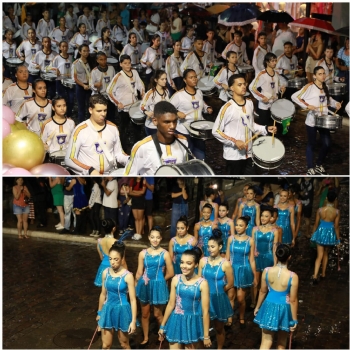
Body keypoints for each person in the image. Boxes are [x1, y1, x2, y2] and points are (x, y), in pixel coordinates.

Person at [213, 74, 277, 175]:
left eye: (244, 84)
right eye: (239, 85)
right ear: (232, 88)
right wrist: (234, 142)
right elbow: (216, 130)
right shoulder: (227, 108)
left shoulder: (249, 103)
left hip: (249, 153)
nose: (243, 86)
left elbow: (250, 125)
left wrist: (265, 128)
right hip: (233, 156)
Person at [291, 66, 341, 175]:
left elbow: (329, 99)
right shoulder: (309, 87)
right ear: (314, 76)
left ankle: (318, 164)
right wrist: (307, 105)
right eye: (320, 74)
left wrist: (335, 103)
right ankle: (310, 167)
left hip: (323, 120)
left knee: (327, 144)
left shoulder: (325, 86)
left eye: (324, 73)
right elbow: (294, 97)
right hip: (312, 120)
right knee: (311, 144)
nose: (323, 76)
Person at [158, 247, 211, 348]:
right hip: (176, 320)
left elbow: (205, 311)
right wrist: (162, 325)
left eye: (188, 263)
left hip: (192, 323)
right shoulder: (176, 279)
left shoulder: (202, 283)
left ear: (196, 265)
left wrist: (206, 336)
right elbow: (171, 304)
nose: (184, 266)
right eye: (182, 262)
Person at [65, 94, 129, 175]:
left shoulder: (113, 128)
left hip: (110, 174)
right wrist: (89, 170)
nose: (103, 114)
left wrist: (130, 159)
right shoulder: (80, 130)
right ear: (90, 110)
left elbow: (119, 154)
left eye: (105, 110)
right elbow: (69, 159)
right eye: (99, 111)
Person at [124, 101, 189, 175]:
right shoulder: (142, 147)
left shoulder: (183, 141)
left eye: (174, 121)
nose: (172, 126)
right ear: (155, 121)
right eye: (167, 122)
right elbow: (129, 174)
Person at [253, 244, 299, 349]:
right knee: (282, 342)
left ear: (276, 255)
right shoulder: (293, 276)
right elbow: (293, 300)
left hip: (268, 306)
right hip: (284, 309)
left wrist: (257, 307)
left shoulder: (266, 271)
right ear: (289, 257)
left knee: (266, 341)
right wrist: (294, 320)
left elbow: (262, 291)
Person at [135, 227, 174, 348]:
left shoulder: (165, 254)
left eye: (157, 237)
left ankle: (162, 333)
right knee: (145, 313)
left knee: (157, 314)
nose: (155, 240)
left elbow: (171, 272)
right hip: (145, 285)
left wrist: (161, 281)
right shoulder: (143, 253)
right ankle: (146, 337)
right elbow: (139, 272)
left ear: (161, 238)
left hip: (158, 286)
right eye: (152, 237)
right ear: (149, 238)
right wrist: (136, 283)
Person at [97, 242, 137, 350]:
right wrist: (99, 313)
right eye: (110, 259)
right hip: (108, 309)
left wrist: (133, 321)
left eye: (116, 259)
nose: (112, 262)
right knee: (105, 346)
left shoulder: (128, 276)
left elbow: (133, 300)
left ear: (122, 258)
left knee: (124, 344)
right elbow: (103, 294)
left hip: (122, 310)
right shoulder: (105, 272)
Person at [198, 229, 234, 349]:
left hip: (218, 299)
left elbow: (230, 283)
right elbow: (198, 280)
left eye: (212, 246)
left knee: (219, 328)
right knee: (202, 327)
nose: (209, 249)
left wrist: (220, 292)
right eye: (208, 246)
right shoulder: (203, 261)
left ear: (220, 247)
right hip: (204, 298)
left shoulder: (225, 264)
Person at [171, 69, 213, 160]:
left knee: (201, 156)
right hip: (184, 130)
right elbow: (168, 108)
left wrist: (207, 108)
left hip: (199, 129)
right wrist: (177, 113)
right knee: (188, 155)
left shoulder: (199, 92)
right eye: (191, 77)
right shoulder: (179, 95)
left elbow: (202, 103)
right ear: (185, 80)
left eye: (195, 77)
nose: (194, 79)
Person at [106, 54, 145, 153]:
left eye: (129, 63)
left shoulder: (135, 72)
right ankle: (122, 149)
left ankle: (137, 148)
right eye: (125, 63)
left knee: (137, 128)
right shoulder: (118, 76)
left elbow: (140, 84)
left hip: (134, 106)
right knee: (124, 129)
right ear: (121, 64)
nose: (128, 65)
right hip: (124, 108)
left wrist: (143, 93)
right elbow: (109, 91)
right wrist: (117, 103)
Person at [226, 216, 257, 329]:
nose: (238, 227)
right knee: (231, 296)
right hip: (232, 269)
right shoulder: (231, 239)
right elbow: (228, 258)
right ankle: (229, 318)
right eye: (237, 225)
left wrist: (254, 275)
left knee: (240, 298)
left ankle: (242, 316)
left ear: (246, 226)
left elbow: (252, 260)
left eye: (241, 225)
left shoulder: (250, 241)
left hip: (244, 270)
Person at [251, 208, 279, 309]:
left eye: (266, 216)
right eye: (262, 215)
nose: (263, 218)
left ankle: (264, 302)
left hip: (268, 258)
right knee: (255, 281)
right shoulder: (255, 229)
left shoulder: (274, 231)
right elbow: (252, 244)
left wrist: (276, 263)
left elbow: (275, 247)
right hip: (257, 257)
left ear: (271, 218)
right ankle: (254, 301)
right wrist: (253, 253)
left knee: (266, 282)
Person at [310, 190, 340, 284]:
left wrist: (313, 234)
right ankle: (323, 274)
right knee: (326, 253)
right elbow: (336, 226)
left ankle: (315, 275)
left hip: (320, 232)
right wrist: (338, 239)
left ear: (326, 198)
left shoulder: (320, 210)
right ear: (335, 199)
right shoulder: (336, 212)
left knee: (319, 255)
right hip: (330, 233)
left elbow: (315, 224)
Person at [249, 53, 286, 126]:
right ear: (267, 62)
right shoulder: (262, 74)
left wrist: (281, 89)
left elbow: (277, 85)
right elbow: (252, 87)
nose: (275, 63)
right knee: (263, 126)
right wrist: (262, 97)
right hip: (264, 105)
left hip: (274, 103)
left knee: (273, 125)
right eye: (272, 61)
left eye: (275, 61)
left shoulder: (275, 73)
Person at [140, 70, 170, 136]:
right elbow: (141, 106)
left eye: (165, 79)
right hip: (152, 126)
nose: (165, 81)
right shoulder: (150, 93)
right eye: (162, 79)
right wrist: (146, 112)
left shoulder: (166, 91)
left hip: (162, 125)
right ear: (156, 80)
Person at [49, 41, 75, 117]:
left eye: (66, 46)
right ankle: (60, 115)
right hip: (60, 80)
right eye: (63, 46)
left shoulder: (71, 57)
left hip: (70, 81)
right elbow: (50, 68)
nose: (65, 48)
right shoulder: (57, 58)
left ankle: (69, 115)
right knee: (62, 99)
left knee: (71, 99)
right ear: (60, 48)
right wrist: (55, 71)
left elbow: (74, 67)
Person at [89, 51, 116, 123]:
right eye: (101, 59)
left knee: (111, 114)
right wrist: (95, 85)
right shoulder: (94, 71)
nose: (103, 61)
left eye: (105, 59)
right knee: (102, 115)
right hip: (100, 95)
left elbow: (114, 80)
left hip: (110, 95)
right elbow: (90, 84)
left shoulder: (111, 68)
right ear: (97, 60)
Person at [72, 44, 92, 123]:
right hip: (81, 87)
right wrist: (83, 85)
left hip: (89, 86)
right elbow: (75, 78)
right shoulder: (76, 63)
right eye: (84, 51)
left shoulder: (91, 61)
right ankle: (81, 124)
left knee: (90, 106)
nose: (86, 53)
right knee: (81, 107)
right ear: (80, 52)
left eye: (87, 51)